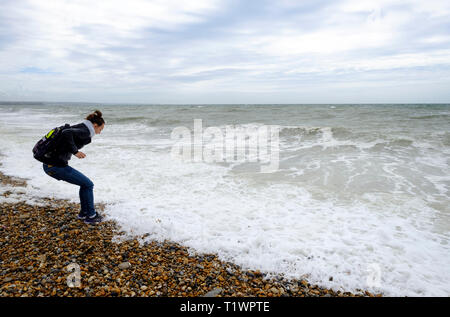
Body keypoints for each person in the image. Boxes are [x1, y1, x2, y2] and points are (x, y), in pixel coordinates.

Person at [42, 110, 105, 224]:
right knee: (88, 184)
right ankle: (91, 216)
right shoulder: (85, 131)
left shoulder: (82, 127)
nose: (99, 132)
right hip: (55, 166)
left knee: (84, 184)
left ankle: (84, 213)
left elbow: (67, 134)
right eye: (100, 129)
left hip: (51, 165)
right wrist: (75, 152)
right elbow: (66, 133)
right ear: (95, 125)